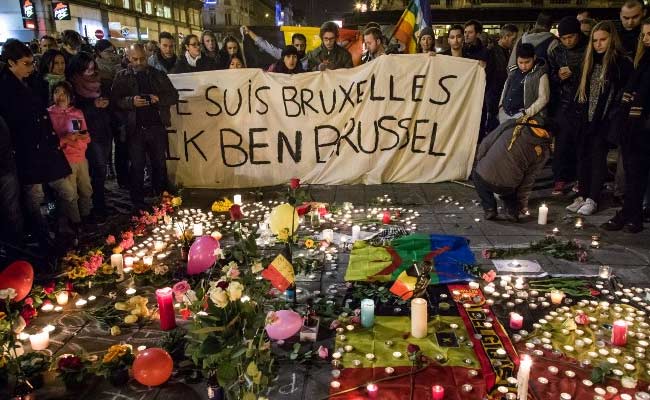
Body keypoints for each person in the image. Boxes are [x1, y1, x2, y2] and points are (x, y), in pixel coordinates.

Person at [0, 39, 74, 249]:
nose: (31, 68)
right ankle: (41, 237)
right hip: (25, 152)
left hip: (45, 148)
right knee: (33, 197)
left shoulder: (30, 81)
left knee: (64, 191)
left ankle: (61, 227)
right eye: (26, 63)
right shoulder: (5, 88)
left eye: (32, 63)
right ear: (10, 63)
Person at [566, 21, 633, 216]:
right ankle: (583, 194)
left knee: (597, 159)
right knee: (582, 158)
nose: (598, 44)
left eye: (603, 39)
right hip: (584, 119)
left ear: (612, 39)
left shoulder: (620, 64)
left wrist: (613, 118)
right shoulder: (588, 61)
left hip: (603, 121)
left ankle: (593, 197)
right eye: (595, 40)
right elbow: (578, 92)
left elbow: (621, 94)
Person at [111, 44, 178, 212]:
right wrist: (130, 102)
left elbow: (173, 96)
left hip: (156, 125)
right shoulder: (122, 77)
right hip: (135, 128)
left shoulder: (157, 74)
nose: (139, 62)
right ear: (128, 58)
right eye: (135, 59)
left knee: (159, 163)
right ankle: (138, 200)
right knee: (137, 165)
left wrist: (159, 99)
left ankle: (160, 194)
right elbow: (115, 101)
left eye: (142, 59)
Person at [602, 18, 650, 232]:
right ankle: (631, 213)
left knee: (639, 171)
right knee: (632, 171)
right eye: (644, 35)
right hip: (633, 125)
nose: (646, 39)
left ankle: (634, 214)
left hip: (644, 123)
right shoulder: (644, 59)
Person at [473, 116, 552, 222]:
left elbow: (487, 142)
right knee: (511, 188)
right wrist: (521, 204)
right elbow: (529, 179)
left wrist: (480, 160)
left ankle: (489, 208)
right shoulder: (543, 150)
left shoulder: (513, 125)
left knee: (477, 175)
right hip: (508, 186)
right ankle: (511, 211)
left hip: (485, 176)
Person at [66, 52, 113, 222]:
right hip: (88, 134)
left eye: (93, 68)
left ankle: (98, 203)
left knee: (101, 169)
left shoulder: (100, 83)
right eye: (87, 70)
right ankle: (96, 206)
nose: (91, 72)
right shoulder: (73, 87)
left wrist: (107, 105)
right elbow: (73, 114)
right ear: (78, 71)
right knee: (96, 170)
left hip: (104, 130)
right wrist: (94, 106)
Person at [548, 16, 588, 195]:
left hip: (584, 103)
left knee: (581, 144)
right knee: (562, 143)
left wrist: (575, 72)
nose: (567, 41)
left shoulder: (588, 48)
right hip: (563, 104)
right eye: (563, 38)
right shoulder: (557, 51)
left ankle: (581, 178)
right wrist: (557, 76)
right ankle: (559, 179)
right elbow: (550, 76)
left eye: (571, 37)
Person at [47, 81, 92, 231]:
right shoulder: (49, 114)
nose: (60, 96)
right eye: (56, 92)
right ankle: (76, 221)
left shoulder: (76, 113)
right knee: (70, 193)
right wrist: (65, 140)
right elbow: (50, 140)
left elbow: (82, 134)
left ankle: (86, 215)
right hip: (64, 160)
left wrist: (82, 138)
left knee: (86, 188)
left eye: (64, 93)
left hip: (81, 156)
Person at [499, 43, 549, 124]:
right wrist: (501, 106)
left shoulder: (540, 74)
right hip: (505, 113)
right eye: (520, 62)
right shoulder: (513, 71)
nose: (523, 66)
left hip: (523, 116)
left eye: (527, 62)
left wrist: (526, 113)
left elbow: (544, 98)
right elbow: (505, 89)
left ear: (534, 58)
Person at [486, 24, 519, 133]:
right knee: (493, 125)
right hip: (494, 93)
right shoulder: (491, 51)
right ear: (505, 37)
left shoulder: (508, 51)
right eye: (513, 39)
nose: (514, 42)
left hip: (502, 93)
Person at [242, 26, 307, 61]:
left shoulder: (309, 60)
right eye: (297, 45)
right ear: (292, 45)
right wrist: (249, 32)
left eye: (302, 46)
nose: (299, 48)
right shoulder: (283, 55)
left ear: (305, 46)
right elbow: (265, 45)